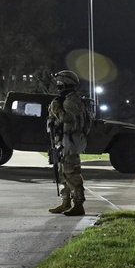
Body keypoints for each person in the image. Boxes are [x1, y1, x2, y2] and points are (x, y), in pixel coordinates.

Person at [46, 70, 90, 215]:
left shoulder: (72, 100)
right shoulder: (65, 98)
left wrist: (55, 108)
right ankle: (65, 202)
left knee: (71, 173)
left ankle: (78, 205)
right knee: (62, 173)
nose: (58, 85)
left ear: (66, 83)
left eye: (59, 82)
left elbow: (66, 118)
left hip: (70, 141)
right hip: (63, 140)